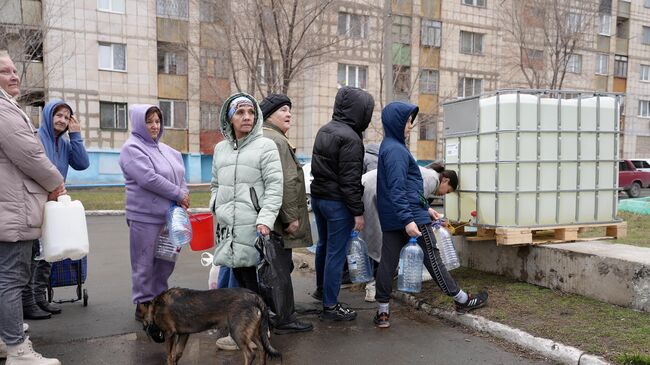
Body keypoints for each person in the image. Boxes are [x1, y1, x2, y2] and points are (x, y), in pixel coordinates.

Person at [373, 101, 488, 329]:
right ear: (396, 122)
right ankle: (463, 300)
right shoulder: (396, 150)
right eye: (407, 122)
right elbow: (397, 188)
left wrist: (425, 207)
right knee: (433, 260)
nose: (410, 126)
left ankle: (383, 312)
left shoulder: (390, 146)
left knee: (387, 262)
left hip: (398, 216)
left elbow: (405, 187)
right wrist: (409, 219)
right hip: (410, 217)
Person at [0, 50, 65, 365]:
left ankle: (5, 338)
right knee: (12, 278)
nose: (14, 76)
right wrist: (56, 182)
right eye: (5, 71)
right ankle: (18, 350)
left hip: (10, 207)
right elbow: (29, 155)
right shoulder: (2, 110)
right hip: (13, 210)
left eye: (14, 70)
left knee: (6, 276)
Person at [210, 93, 283, 349]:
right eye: (240, 113)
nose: (247, 117)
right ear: (229, 117)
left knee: (254, 284)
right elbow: (215, 184)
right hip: (228, 228)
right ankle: (243, 333)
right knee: (238, 283)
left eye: (251, 112)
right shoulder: (221, 149)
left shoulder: (266, 146)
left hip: (254, 227)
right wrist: (215, 206)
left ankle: (257, 334)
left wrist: (265, 219)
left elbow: (275, 188)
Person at [119, 104, 189, 322]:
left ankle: (158, 299)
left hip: (170, 217)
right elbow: (148, 178)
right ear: (140, 123)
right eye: (149, 121)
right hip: (145, 217)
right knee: (144, 262)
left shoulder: (168, 150)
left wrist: (183, 192)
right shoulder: (131, 148)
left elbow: (180, 175)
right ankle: (143, 305)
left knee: (166, 260)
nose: (154, 126)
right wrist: (179, 193)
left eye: (157, 121)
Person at [310, 86, 374, 321]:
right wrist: (357, 212)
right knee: (336, 254)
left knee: (324, 247)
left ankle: (321, 291)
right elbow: (349, 181)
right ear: (360, 111)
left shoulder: (325, 129)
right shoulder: (351, 138)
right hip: (337, 204)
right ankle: (330, 306)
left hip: (318, 198)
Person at [22, 99, 90, 319]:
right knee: (32, 253)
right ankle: (28, 300)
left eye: (66, 116)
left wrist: (76, 135)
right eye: (58, 115)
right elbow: (33, 170)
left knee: (49, 250)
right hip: (35, 202)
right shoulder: (36, 137)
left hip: (54, 205)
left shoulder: (66, 143)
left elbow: (82, 163)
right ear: (48, 116)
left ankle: (40, 297)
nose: (62, 120)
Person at [360, 163, 456, 302]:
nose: (443, 194)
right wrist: (414, 222)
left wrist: (428, 209)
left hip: (372, 185)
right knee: (376, 241)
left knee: (383, 250)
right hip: (372, 188)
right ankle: (372, 285)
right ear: (445, 180)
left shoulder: (428, 175)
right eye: (447, 191)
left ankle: (381, 303)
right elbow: (413, 200)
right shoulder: (433, 178)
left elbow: (416, 195)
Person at [260, 94, 313, 334]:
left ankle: (275, 313)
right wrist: (290, 217)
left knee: (274, 266)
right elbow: (286, 182)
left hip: (268, 216)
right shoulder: (277, 141)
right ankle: (283, 318)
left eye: (289, 109)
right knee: (279, 267)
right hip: (279, 220)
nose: (288, 114)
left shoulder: (265, 137)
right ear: (269, 114)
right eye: (283, 110)